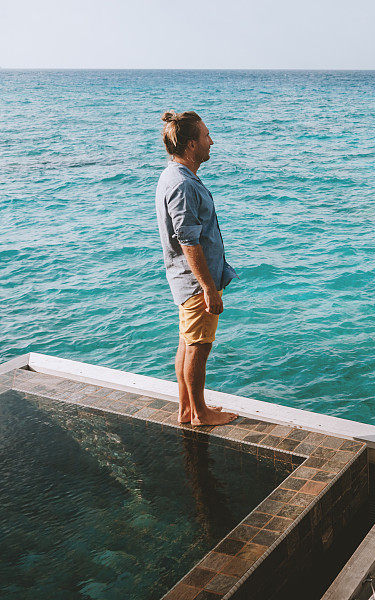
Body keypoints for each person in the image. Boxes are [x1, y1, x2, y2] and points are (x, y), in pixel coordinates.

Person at [155, 110, 239, 426]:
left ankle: (187, 408)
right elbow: (188, 239)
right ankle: (200, 413)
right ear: (191, 144)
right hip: (194, 283)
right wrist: (207, 287)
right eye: (206, 136)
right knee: (199, 348)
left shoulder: (176, 176)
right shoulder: (181, 184)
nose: (211, 141)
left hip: (186, 280)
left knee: (188, 343)